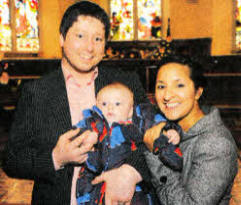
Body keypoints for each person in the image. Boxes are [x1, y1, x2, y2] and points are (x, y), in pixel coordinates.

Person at [2, 1, 148, 205]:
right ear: (62, 38)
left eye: (98, 39)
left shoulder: (126, 83)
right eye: (80, 36)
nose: (89, 47)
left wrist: (131, 171)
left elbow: (154, 139)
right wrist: (55, 158)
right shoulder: (37, 92)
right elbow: (12, 159)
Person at [93, 55, 238, 205]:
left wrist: (155, 153)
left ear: (198, 92)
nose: (167, 96)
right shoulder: (159, 123)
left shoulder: (216, 144)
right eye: (161, 86)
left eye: (179, 85)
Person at [74, 82, 182, 205]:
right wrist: (85, 138)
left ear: (130, 110)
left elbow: (157, 129)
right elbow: (74, 135)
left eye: (117, 104)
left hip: (136, 187)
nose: (110, 108)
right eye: (104, 104)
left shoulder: (136, 125)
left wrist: (170, 133)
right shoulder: (93, 124)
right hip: (98, 181)